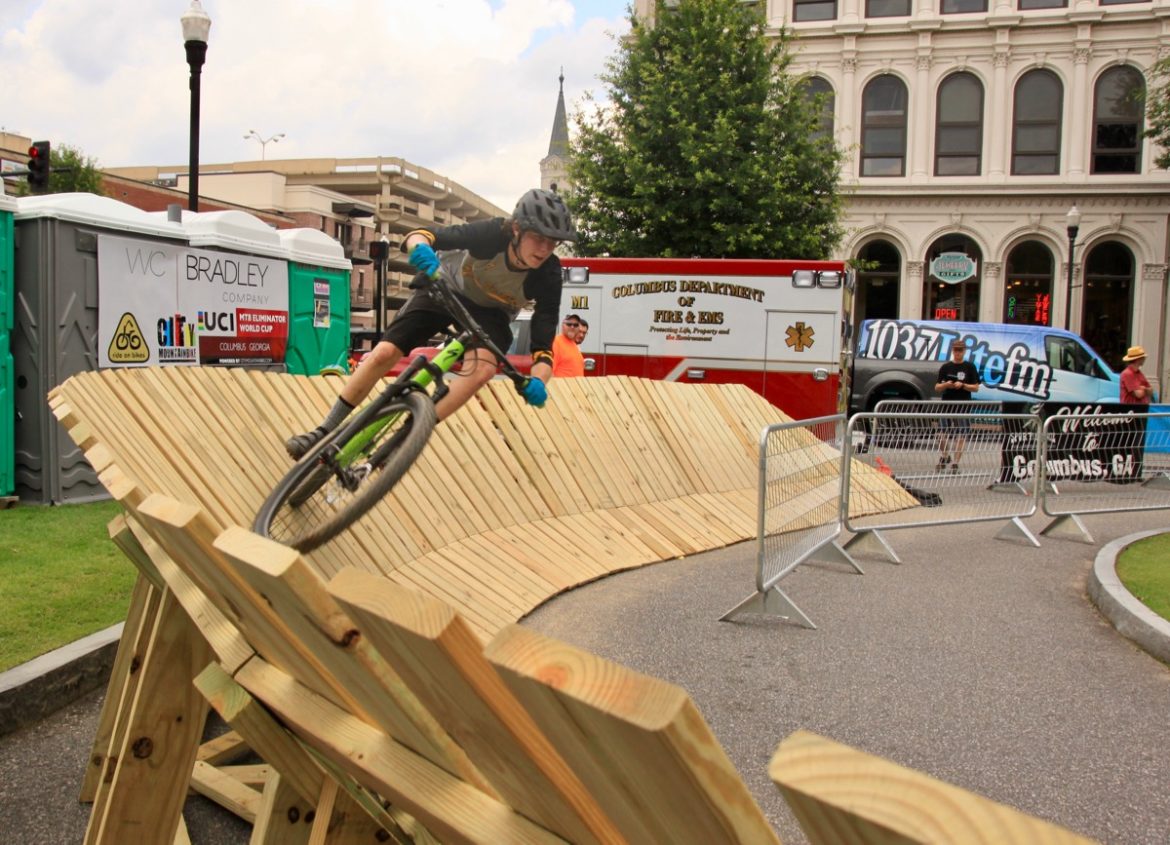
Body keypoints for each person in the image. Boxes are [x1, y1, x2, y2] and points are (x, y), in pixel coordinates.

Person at [286, 188, 574, 459]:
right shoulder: (492, 234)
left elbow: (543, 344)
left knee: (483, 370)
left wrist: (539, 380)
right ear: (517, 229)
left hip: (492, 314)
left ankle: (408, 437)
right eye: (538, 238)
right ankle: (323, 431)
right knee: (385, 353)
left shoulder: (548, 274)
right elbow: (422, 235)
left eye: (552, 242)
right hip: (445, 289)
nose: (545, 249)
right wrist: (420, 249)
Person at [935, 339, 981, 473]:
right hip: (947, 404)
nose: (958, 353)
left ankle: (955, 463)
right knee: (941, 434)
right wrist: (946, 385)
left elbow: (976, 387)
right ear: (952, 351)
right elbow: (937, 387)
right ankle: (945, 456)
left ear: (964, 351)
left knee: (961, 435)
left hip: (963, 405)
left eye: (960, 350)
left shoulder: (970, 367)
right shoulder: (946, 367)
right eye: (956, 350)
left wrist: (963, 385)